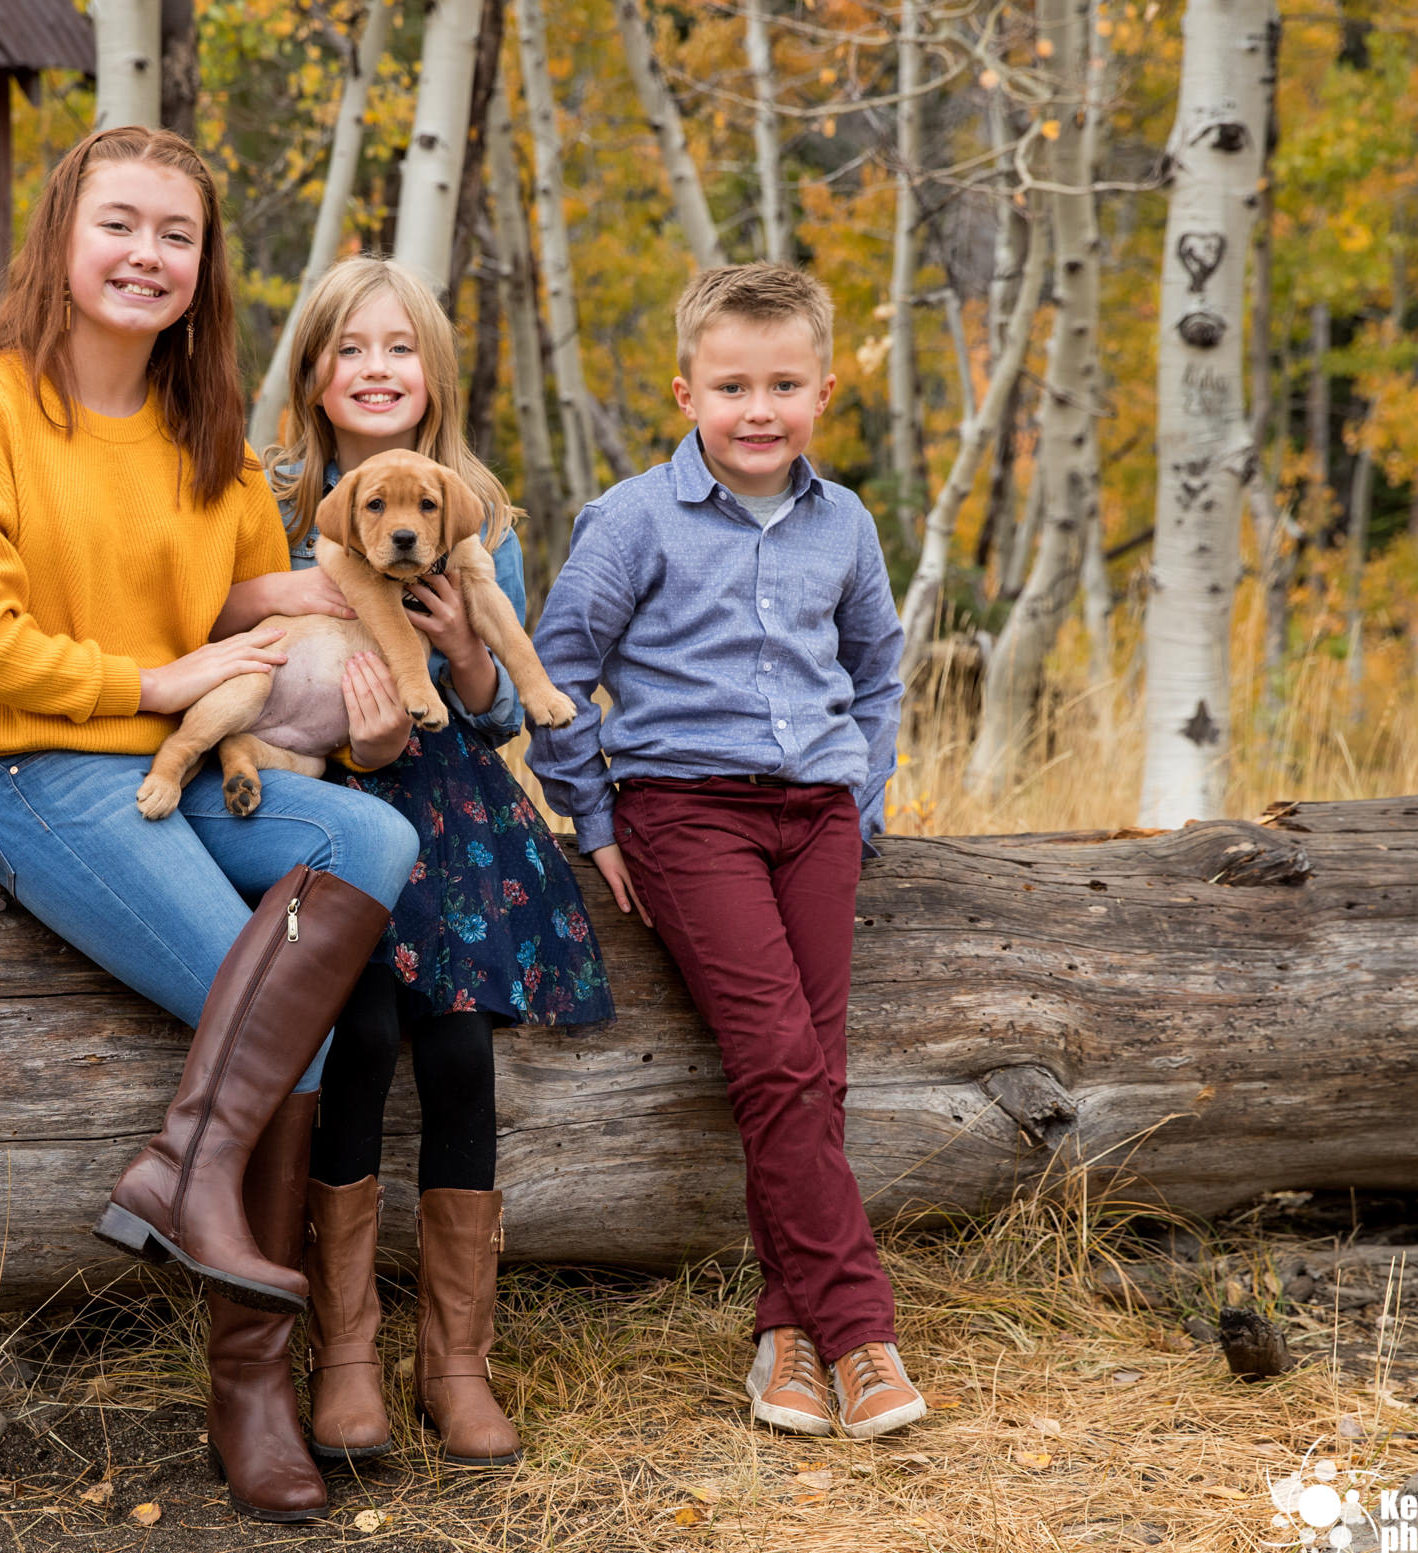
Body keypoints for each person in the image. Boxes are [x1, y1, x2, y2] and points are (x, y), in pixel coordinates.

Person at [0, 127, 420, 1523]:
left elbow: (248, 600)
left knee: (371, 845)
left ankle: (184, 1170)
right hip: (32, 772)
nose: (146, 257)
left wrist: (324, 612)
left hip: (195, 762)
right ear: (62, 237)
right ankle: (254, 1387)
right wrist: (149, 680)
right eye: (119, 225)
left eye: (175, 236)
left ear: (203, 267)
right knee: (278, 1004)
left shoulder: (210, 437)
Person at [525, 261, 925, 1442]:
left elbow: (877, 670)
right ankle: (859, 1331)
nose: (760, 409)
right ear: (685, 392)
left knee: (819, 1069)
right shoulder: (633, 519)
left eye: (785, 384)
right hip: (687, 817)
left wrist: (863, 798)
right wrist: (592, 819)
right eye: (733, 385)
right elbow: (555, 679)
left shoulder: (842, 521)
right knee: (777, 1061)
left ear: (824, 390)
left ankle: (782, 1340)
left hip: (816, 819)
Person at [265, 256, 613, 1470]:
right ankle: (346, 1350)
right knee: (356, 1034)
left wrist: (467, 654)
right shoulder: (273, 499)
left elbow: (498, 712)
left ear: (434, 375)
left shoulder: (478, 509)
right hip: (315, 800)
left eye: (399, 350)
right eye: (350, 349)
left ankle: (455, 1360)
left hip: (451, 815)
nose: (375, 371)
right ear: (313, 370)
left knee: (458, 1047)